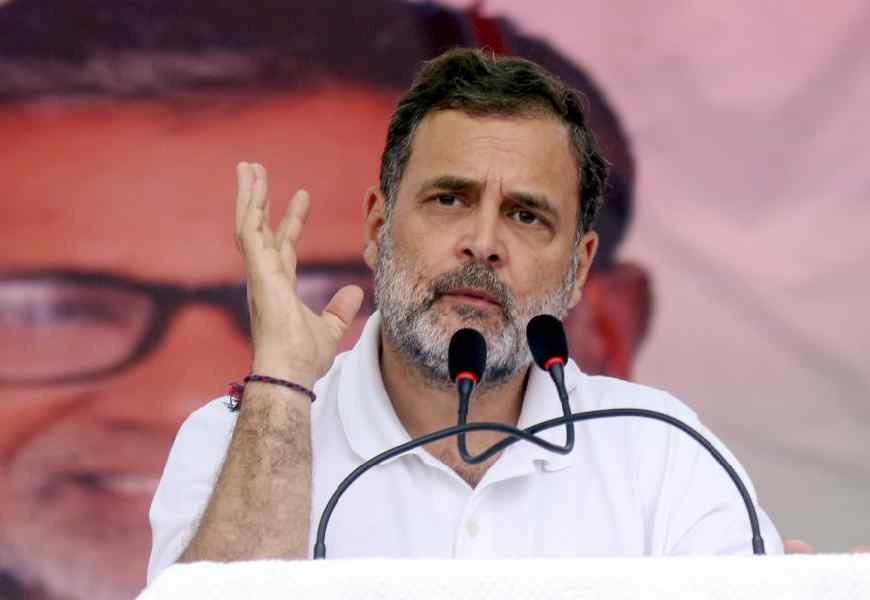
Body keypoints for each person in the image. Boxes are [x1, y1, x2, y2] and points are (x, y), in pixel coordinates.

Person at [0, 2, 653, 599]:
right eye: (53, 310)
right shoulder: (211, 437)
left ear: (603, 331)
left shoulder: (677, 482)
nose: (186, 397)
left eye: (353, 296)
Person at [147, 47, 783, 584]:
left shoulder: (664, 452)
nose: (483, 243)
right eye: (449, 199)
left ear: (580, 268)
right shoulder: (239, 438)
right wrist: (283, 388)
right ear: (377, 227)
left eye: (526, 215)